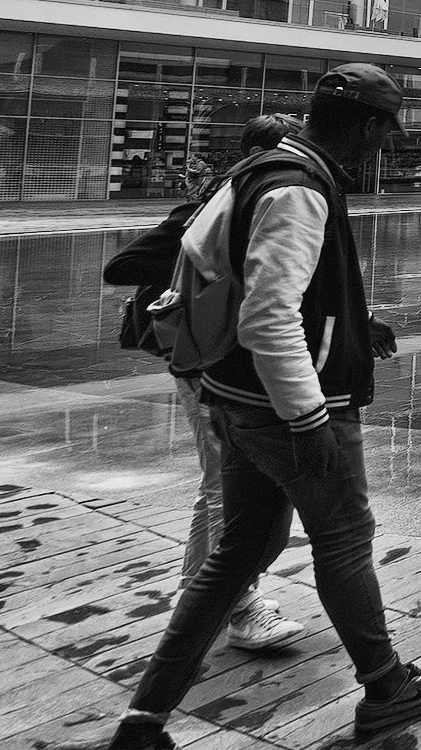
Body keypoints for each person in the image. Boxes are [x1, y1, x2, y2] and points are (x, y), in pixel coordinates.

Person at [80, 66, 421, 750]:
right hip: (283, 408)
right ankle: (387, 685)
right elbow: (269, 315)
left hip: (233, 395)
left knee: (237, 555)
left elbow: (223, 270)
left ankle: (137, 738)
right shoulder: (299, 186)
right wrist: (309, 417)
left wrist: (356, 326)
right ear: (365, 126)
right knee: (345, 535)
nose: (392, 142)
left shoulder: (265, 168)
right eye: (388, 127)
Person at [103, 114, 308, 661]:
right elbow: (123, 265)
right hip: (206, 365)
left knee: (227, 482)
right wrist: (206, 269)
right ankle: (227, 605)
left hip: (223, 365)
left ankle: (208, 601)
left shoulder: (256, 201)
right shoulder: (225, 203)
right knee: (227, 485)